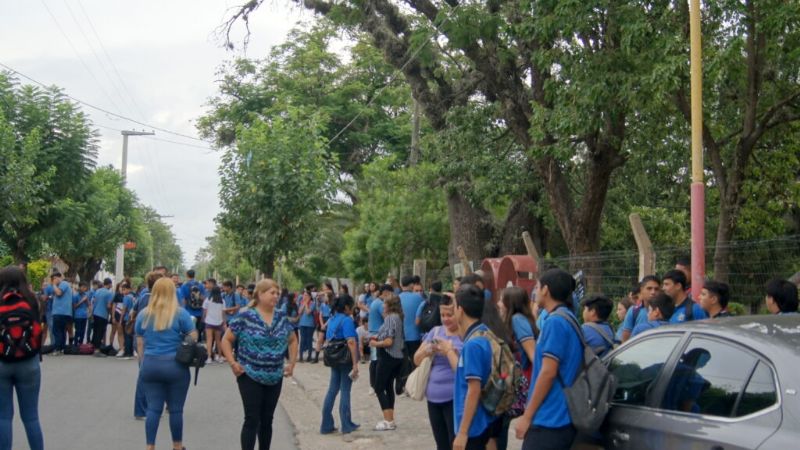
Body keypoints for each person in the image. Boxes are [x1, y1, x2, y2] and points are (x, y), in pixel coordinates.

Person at [220, 279, 298, 450]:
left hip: (275, 375)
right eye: (272, 293)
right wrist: (233, 363)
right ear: (260, 294)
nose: (276, 296)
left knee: (267, 419)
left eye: (277, 293)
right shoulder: (245, 316)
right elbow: (226, 340)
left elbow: (292, 340)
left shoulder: (280, 317)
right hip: (249, 374)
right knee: (252, 418)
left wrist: (292, 363)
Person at [515, 268, 583, 450]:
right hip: (560, 416)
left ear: (545, 289)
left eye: (537, 287)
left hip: (550, 419)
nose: (535, 292)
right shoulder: (569, 318)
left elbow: (548, 372)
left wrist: (527, 416)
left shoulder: (556, 322)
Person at [134, 277, 196, 450]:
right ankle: (177, 446)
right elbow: (193, 336)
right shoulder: (180, 313)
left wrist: (143, 363)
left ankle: (150, 446)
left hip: (151, 364)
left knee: (153, 409)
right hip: (175, 365)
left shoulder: (143, 314)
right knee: (176, 410)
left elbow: (140, 344)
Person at [0, 266, 44, 450]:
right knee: (31, 416)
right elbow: (39, 330)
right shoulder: (33, 301)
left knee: (3, 417)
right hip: (29, 362)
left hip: (2, 362)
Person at [413, 293, 462, 450]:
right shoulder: (435, 332)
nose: (446, 319)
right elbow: (416, 359)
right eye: (442, 315)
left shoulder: (464, 335)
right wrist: (429, 350)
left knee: (454, 442)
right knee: (441, 443)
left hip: (454, 397)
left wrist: (451, 352)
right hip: (433, 397)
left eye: (450, 314)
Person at [452, 284, 497, 450]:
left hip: (473, 426)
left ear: (460, 310)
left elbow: (474, 389)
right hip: (481, 420)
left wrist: (463, 432)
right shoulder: (483, 332)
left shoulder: (473, 344)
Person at [320, 294, 360, 434]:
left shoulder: (332, 319)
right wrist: (355, 364)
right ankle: (346, 424)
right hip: (345, 359)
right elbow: (351, 341)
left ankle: (326, 424)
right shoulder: (347, 320)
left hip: (334, 359)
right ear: (347, 307)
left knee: (332, 390)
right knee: (345, 390)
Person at [369, 293, 405, 431]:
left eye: (384, 303)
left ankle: (388, 420)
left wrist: (375, 343)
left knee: (378, 387)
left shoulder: (390, 318)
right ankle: (391, 419)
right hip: (397, 357)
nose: (382, 305)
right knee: (388, 387)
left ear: (390, 306)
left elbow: (389, 341)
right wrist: (377, 336)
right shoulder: (398, 317)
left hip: (387, 356)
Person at [620, 275, 661, 342]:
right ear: (641, 290)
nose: (653, 292)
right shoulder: (634, 311)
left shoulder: (665, 310)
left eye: (656, 289)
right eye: (649, 288)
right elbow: (625, 340)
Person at [368, 284, 390, 394]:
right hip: (377, 334)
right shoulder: (381, 304)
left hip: (373, 332)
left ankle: (374, 384)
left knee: (375, 360)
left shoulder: (375, 302)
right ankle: (374, 385)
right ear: (385, 292)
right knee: (376, 361)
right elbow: (387, 318)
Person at [180, 269, 206, 340]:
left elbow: (183, 300)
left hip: (189, 312)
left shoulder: (184, 285)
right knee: (199, 330)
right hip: (199, 312)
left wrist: (183, 310)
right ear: (194, 275)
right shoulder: (200, 285)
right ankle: (198, 345)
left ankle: (191, 346)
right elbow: (203, 298)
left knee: (190, 331)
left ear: (187, 275)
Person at [49, 272, 72, 355]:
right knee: (61, 331)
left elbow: (59, 293)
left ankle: (57, 349)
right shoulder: (61, 285)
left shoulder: (64, 283)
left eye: (54, 278)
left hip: (60, 312)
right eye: (52, 279)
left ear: (59, 277)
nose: (53, 281)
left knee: (57, 330)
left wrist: (54, 285)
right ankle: (61, 348)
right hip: (61, 312)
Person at [203, 286, 226, 363]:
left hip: (209, 322)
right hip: (218, 322)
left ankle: (209, 357)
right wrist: (224, 323)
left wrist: (204, 319)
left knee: (209, 340)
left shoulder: (208, 300)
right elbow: (223, 313)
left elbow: (205, 311)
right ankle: (219, 357)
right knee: (218, 340)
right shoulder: (222, 301)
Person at [91, 279, 114, 351]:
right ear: (109, 284)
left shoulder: (97, 291)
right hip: (103, 315)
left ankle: (93, 347)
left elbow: (93, 302)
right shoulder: (109, 293)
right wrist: (111, 314)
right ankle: (97, 349)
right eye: (111, 284)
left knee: (95, 331)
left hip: (95, 313)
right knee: (100, 332)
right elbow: (108, 306)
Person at [297, 288, 317, 363]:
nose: (304, 296)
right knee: (302, 340)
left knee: (309, 340)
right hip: (302, 324)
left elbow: (308, 312)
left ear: (309, 296)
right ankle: (301, 357)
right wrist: (303, 304)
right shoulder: (301, 302)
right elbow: (299, 312)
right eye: (303, 295)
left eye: (305, 295)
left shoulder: (312, 303)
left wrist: (306, 304)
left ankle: (309, 356)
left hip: (310, 324)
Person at [314, 292, 333, 364]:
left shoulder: (332, 305)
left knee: (328, 341)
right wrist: (322, 324)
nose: (324, 298)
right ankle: (316, 358)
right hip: (323, 322)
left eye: (326, 296)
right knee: (319, 340)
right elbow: (320, 315)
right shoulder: (322, 305)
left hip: (329, 322)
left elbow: (331, 317)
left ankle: (327, 358)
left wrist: (325, 324)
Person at [72, 281, 90, 346]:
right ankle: (76, 344)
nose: (84, 289)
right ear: (80, 287)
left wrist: (87, 300)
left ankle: (81, 343)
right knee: (78, 331)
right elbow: (74, 306)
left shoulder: (85, 295)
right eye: (83, 287)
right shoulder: (75, 295)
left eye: (85, 287)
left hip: (84, 315)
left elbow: (88, 305)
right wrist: (82, 300)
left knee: (83, 331)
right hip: (78, 316)